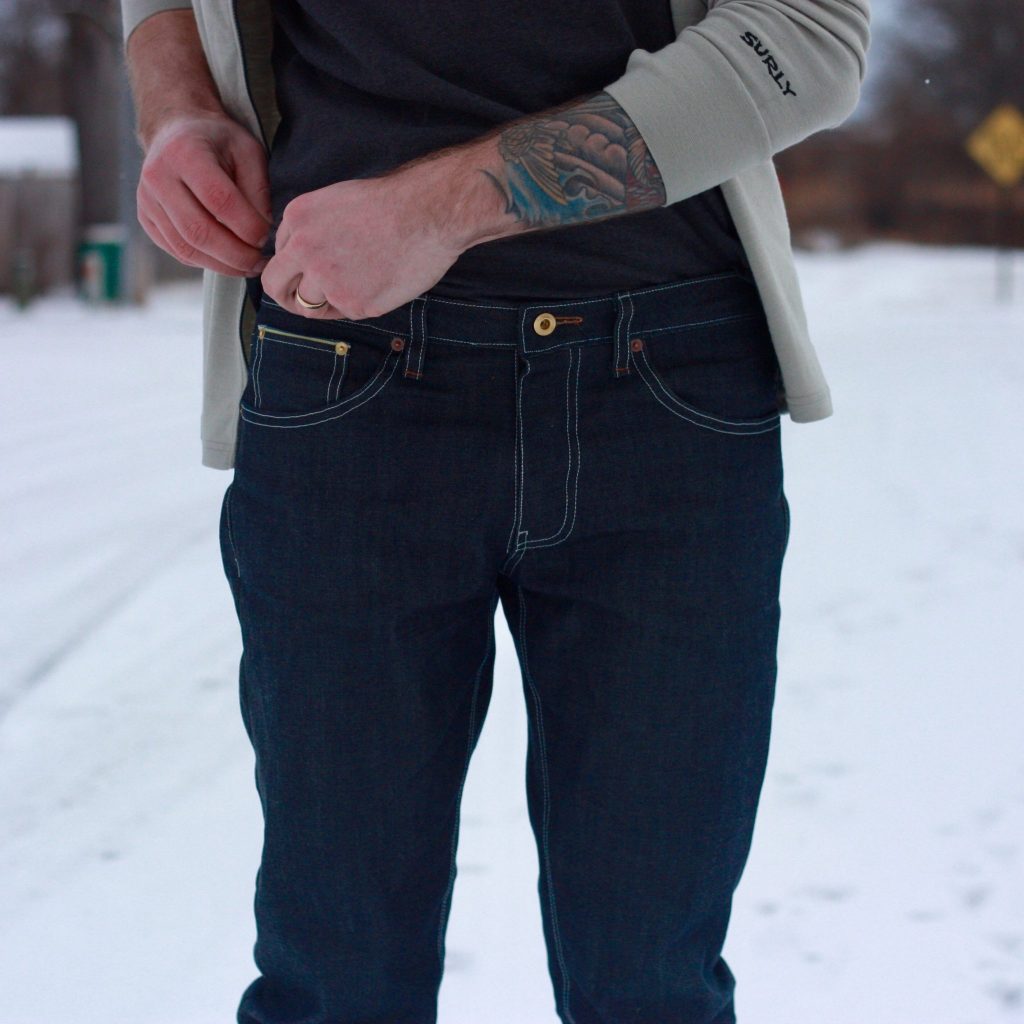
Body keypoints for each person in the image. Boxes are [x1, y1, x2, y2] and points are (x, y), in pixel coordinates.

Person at [122, 1, 870, 1021]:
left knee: (646, 989)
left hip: (669, 390)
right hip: (344, 372)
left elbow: (809, 41)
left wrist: (442, 206)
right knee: (335, 983)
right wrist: (179, 106)